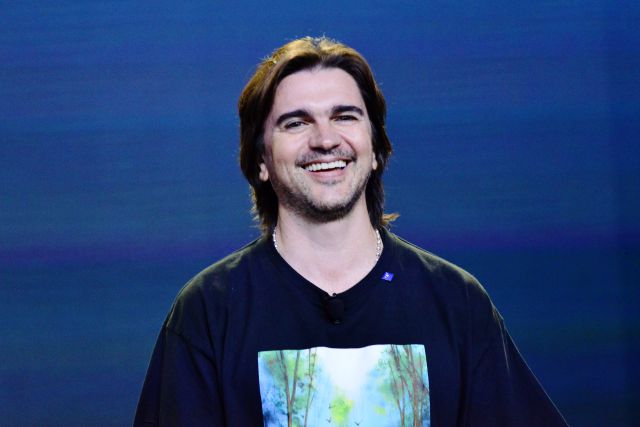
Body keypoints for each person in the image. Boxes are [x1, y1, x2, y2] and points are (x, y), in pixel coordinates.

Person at [134, 36, 567, 426]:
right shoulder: (209, 312)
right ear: (261, 160)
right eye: (296, 122)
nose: (325, 139)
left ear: (375, 148)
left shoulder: (456, 303)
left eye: (344, 116)